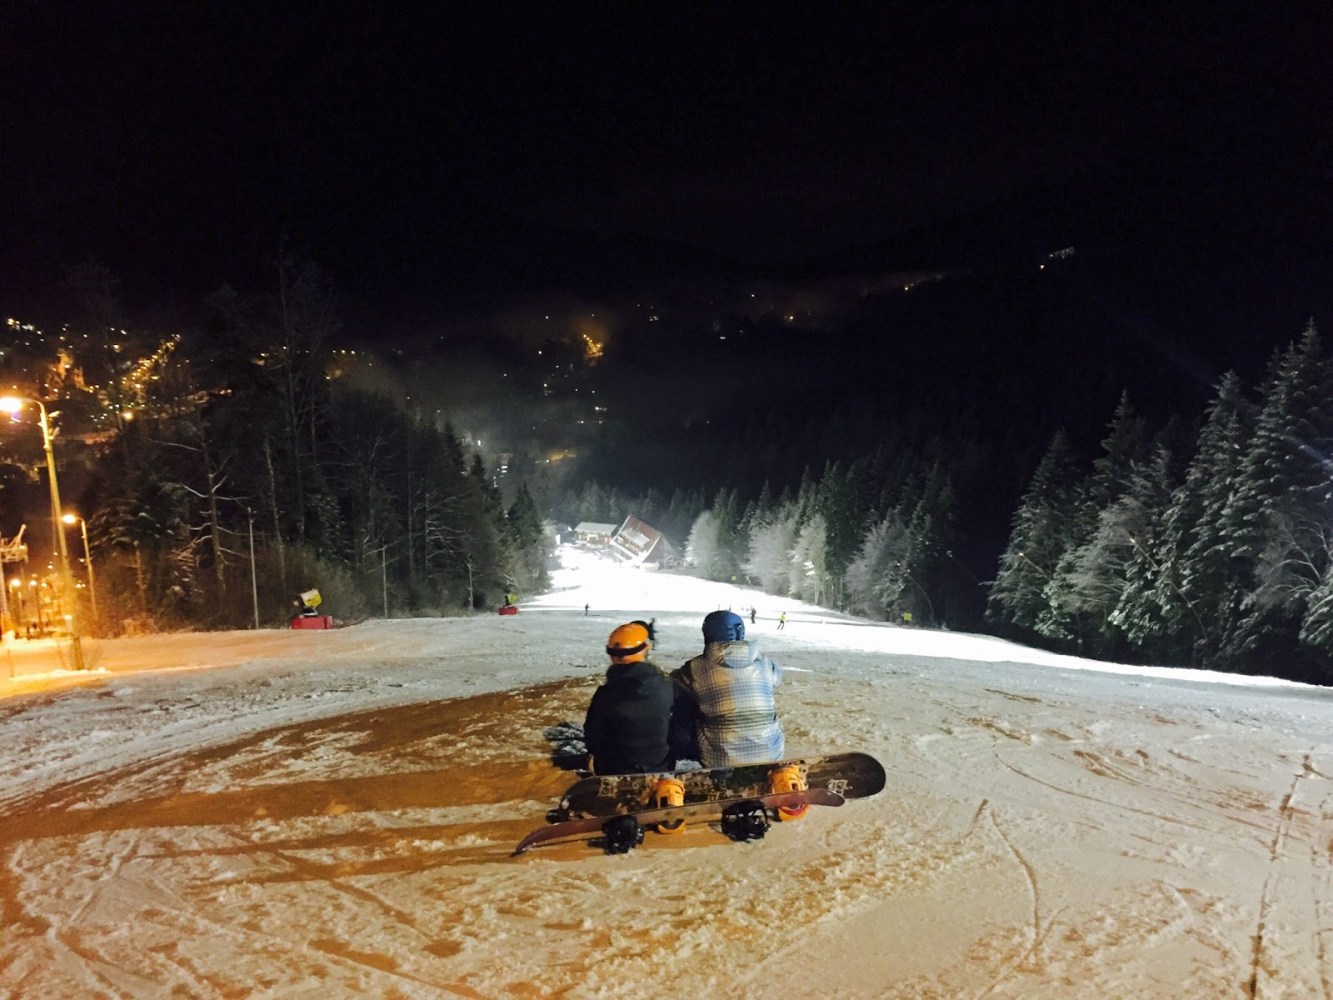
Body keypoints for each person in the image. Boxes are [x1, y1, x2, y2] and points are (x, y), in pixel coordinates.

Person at [672, 610, 784, 767]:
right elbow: (776, 681)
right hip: (771, 754)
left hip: (720, 761)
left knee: (685, 707)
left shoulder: (694, 668)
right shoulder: (766, 663)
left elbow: (673, 687)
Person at [582, 621, 675, 775]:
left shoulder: (606, 694)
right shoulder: (667, 686)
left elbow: (593, 736)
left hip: (615, 769)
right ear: (647, 648)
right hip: (661, 767)